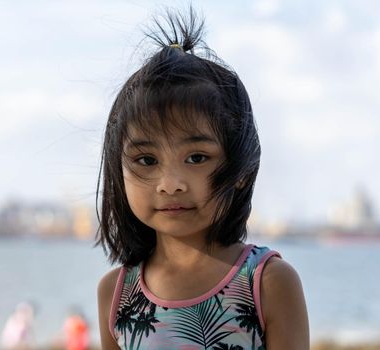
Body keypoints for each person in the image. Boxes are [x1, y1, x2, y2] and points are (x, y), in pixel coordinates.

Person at [96, 7, 309, 350]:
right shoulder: (117, 293)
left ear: (239, 169)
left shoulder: (266, 281)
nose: (170, 183)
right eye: (146, 160)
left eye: (197, 158)